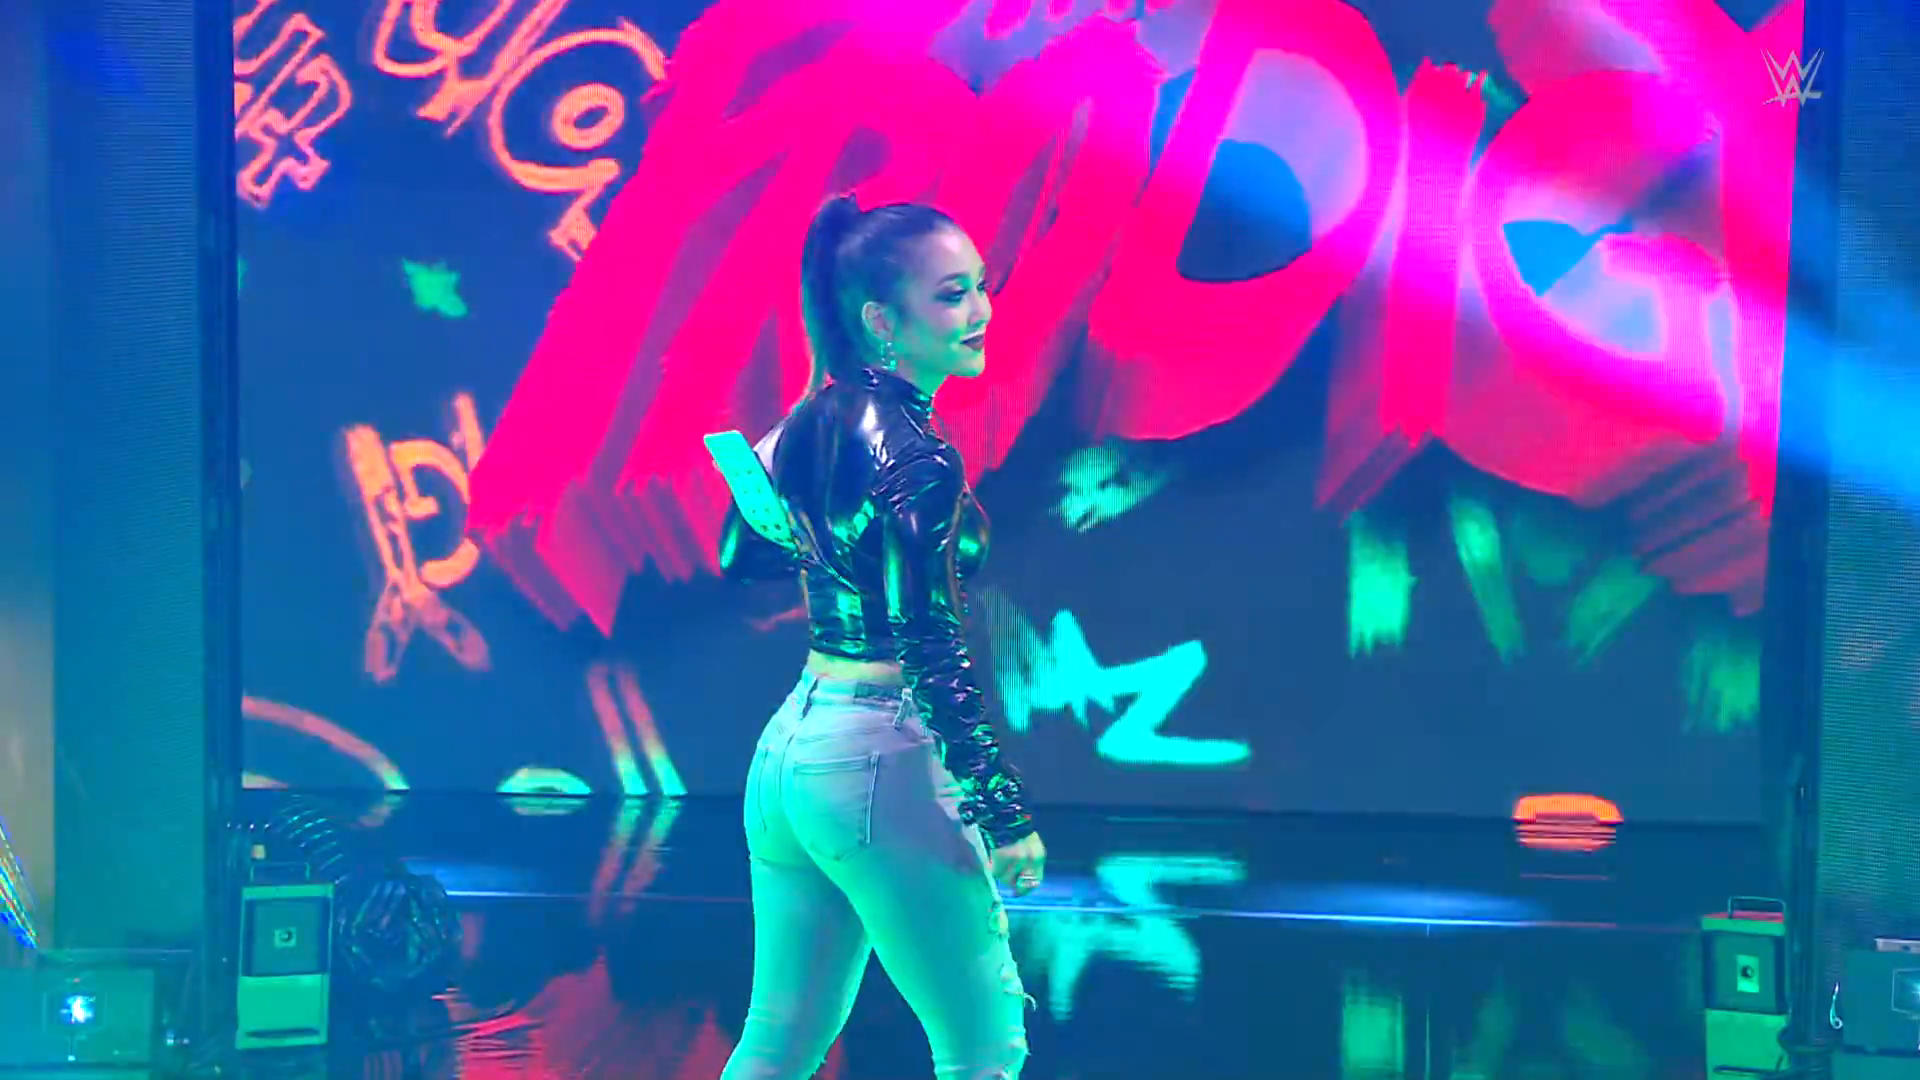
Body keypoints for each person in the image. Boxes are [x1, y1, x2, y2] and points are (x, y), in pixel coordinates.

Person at [712, 193, 1044, 1080]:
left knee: (779, 1044)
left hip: (793, 755)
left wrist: (789, 461)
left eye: (980, 287)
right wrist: (1002, 812)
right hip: (874, 756)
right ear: (881, 321)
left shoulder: (813, 419)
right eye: (952, 294)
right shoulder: (918, 457)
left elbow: (739, 552)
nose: (980, 312)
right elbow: (927, 643)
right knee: (985, 1047)